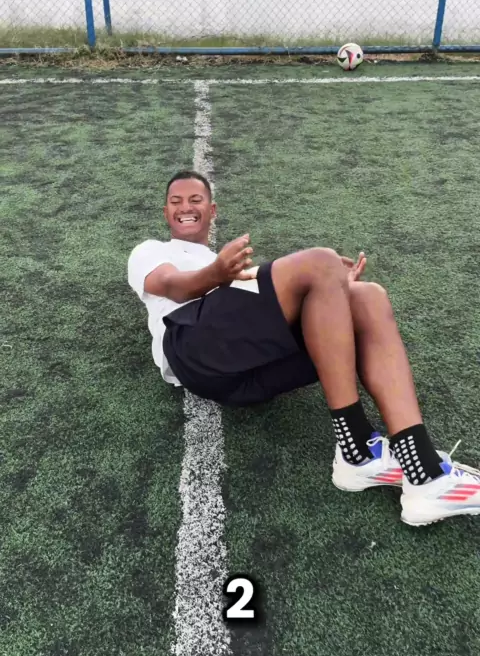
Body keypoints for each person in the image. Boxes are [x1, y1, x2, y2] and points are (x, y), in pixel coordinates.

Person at [128, 170, 480, 527]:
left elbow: (283, 298)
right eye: (176, 202)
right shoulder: (151, 251)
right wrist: (219, 274)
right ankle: (356, 446)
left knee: (365, 298)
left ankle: (424, 473)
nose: (185, 207)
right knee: (321, 261)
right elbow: (173, 286)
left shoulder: (228, 269)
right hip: (190, 349)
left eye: (195, 200)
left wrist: (335, 293)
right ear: (165, 212)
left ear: (212, 210)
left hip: (246, 377)